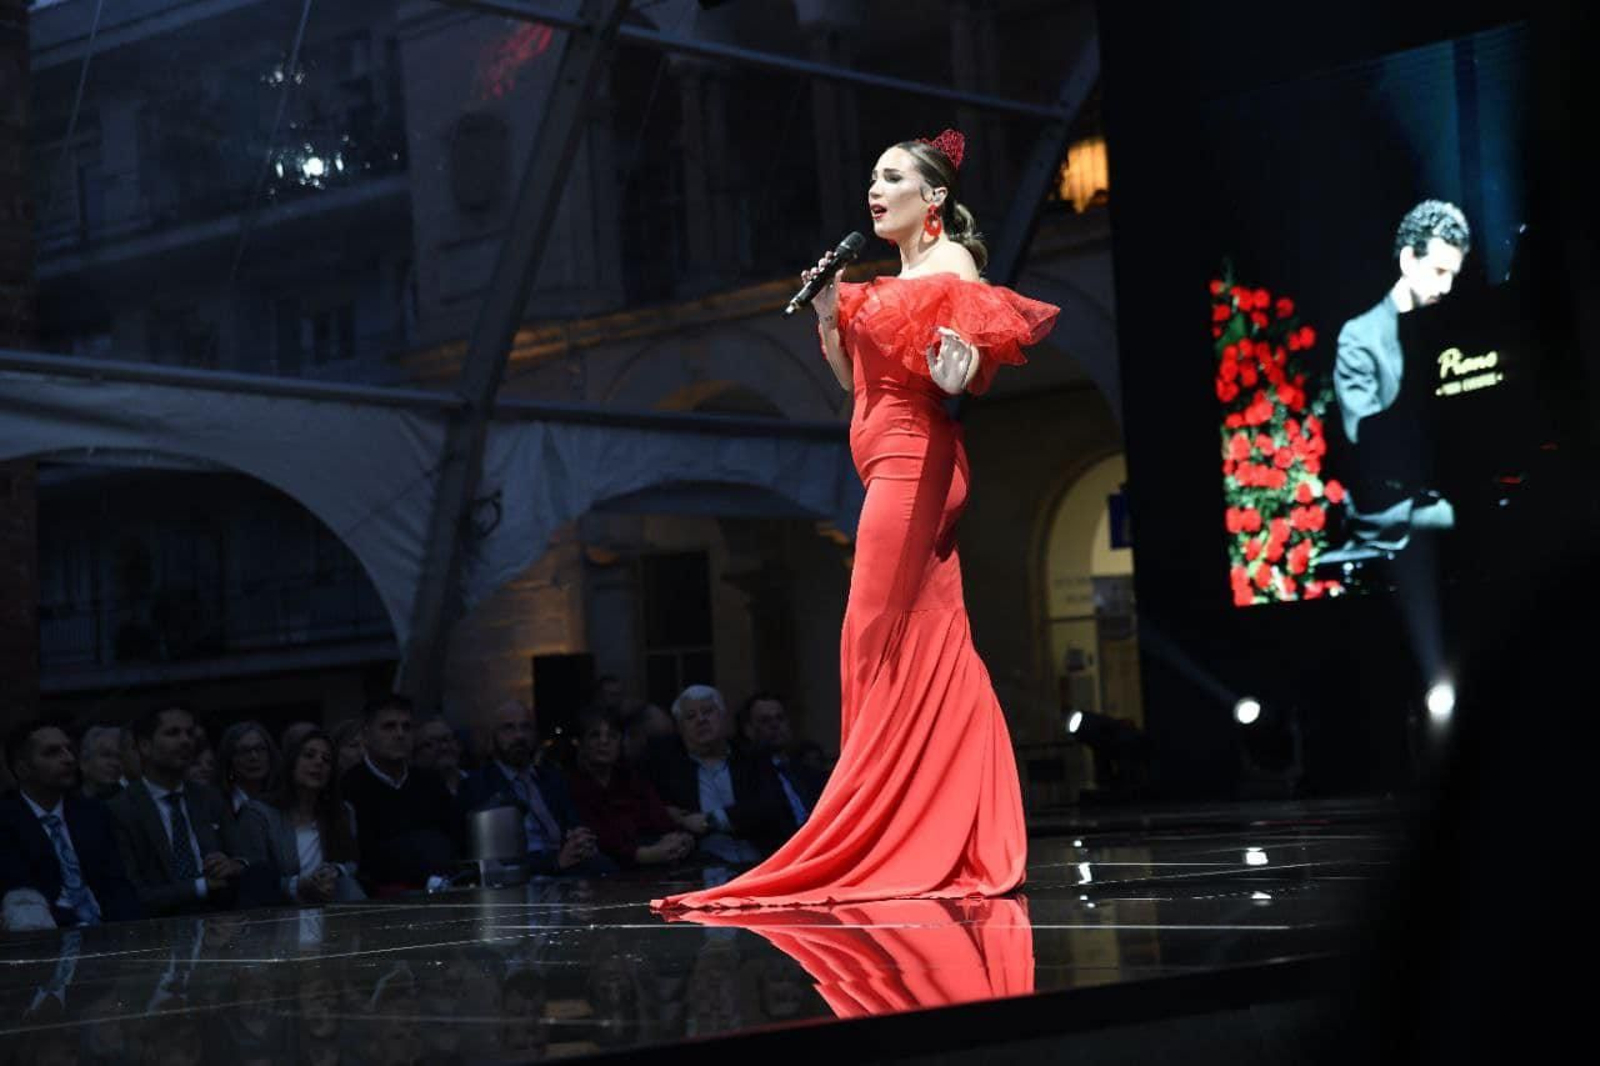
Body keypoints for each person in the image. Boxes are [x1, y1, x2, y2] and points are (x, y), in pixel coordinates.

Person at [653, 130, 1055, 911]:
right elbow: (854, 382)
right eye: (872, 176)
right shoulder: (888, 276)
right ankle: (948, 824)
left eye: (894, 177)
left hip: (918, 466)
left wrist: (958, 373)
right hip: (888, 462)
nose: (875, 189)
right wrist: (835, 318)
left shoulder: (951, 266)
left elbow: (966, 363)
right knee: (931, 647)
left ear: (932, 199)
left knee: (867, 641)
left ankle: (865, 827)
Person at [1331, 199, 1471, 549]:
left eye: (1453, 275)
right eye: (1440, 272)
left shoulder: (1446, 325)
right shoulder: (1359, 336)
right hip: (1388, 508)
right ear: (1409, 261)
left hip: (1441, 488)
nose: (1447, 288)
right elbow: (1364, 436)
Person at [106, 704, 253, 916]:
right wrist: (202, 886)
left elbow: (245, 856)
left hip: (221, 915)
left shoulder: (209, 797)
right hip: (160, 924)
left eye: (190, 733)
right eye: (173, 733)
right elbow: (133, 893)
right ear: (145, 746)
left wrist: (234, 865)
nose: (186, 741)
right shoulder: (121, 809)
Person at [1, 720, 142, 927]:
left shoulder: (92, 812)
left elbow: (117, 885)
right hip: (48, 939)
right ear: (22, 768)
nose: (68, 759)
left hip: (111, 934)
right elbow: (22, 898)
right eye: (52, 752)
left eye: (69, 749)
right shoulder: (6, 821)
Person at [458, 699, 614, 876]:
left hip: (569, 865)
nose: (519, 736)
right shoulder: (478, 785)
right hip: (524, 876)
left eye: (526, 727)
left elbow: (573, 824)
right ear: (493, 737)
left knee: (608, 869)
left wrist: (581, 841)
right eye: (509, 728)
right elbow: (493, 860)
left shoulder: (552, 777)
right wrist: (554, 862)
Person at [643, 685, 796, 865]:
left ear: (724, 718)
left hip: (762, 862)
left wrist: (712, 820)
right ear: (680, 728)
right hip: (699, 869)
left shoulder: (752, 758)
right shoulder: (667, 769)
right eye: (690, 716)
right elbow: (657, 817)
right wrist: (678, 820)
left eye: (708, 711)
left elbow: (772, 808)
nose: (701, 720)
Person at [340, 695, 461, 893]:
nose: (400, 734)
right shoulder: (348, 788)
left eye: (407, 727)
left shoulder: (431, 782)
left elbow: (453, 841)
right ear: (366, 735)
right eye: (389, 726)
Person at [237, 728, 365, 903]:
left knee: (347, 885)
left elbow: (353, 863)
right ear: (292, 762)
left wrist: (336, 871)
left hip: (331, 907)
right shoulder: (258, 814)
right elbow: (255, 878)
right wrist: (298, 885)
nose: (319, 762)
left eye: (326, 759)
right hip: (280, 911)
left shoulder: (343, 812)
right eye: (309, 755)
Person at [566, 706, 695, 868]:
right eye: (595, 735)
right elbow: (597, 840)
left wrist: (681, 839)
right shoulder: (573, 785)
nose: (604, 742)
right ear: (582, 743)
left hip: (657, 857)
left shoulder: (632, 778)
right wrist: (645, 855)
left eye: (612, 736)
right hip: (612, 867)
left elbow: (662, 820)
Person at [217, 720, 279, 816]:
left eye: (260, 749)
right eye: (244, 751)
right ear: (229, 758)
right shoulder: (216, 804)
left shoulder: (283, 802)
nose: (254, 757)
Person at [77, 725, 125, 800]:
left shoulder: (132, 800)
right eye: (106, 755)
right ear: (84, 762)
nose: (115, 763)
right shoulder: (65, 805)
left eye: (120, 757)